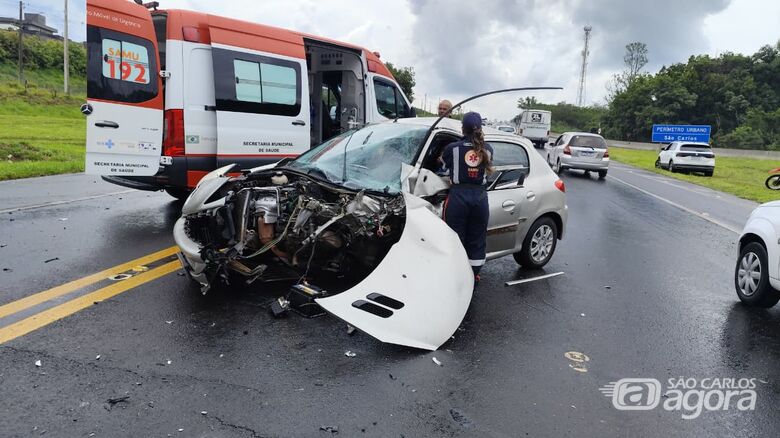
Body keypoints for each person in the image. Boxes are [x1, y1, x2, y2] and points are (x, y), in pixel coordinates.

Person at [440, 111, 493, 282]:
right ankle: (474, 275)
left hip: (458, 198)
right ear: (480, 129)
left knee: (455, 238)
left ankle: (455, 275)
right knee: (477, 238)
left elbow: (443, 164)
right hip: (480, 199)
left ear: (462, 128)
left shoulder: (452, 149)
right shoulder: (488, 150)